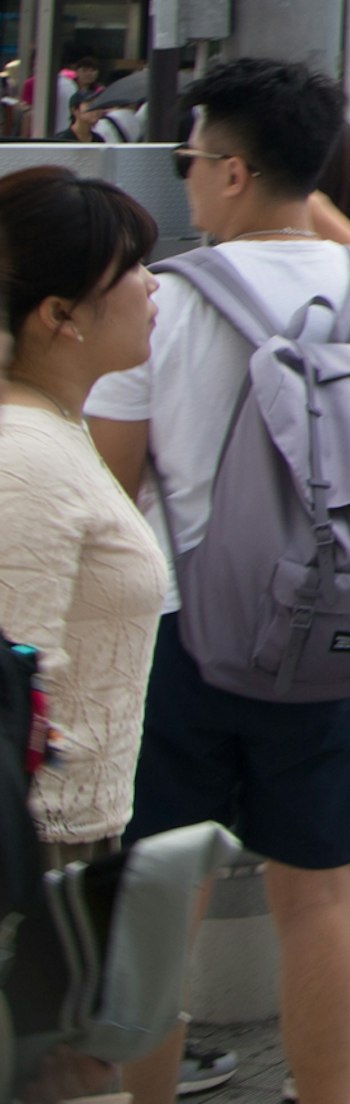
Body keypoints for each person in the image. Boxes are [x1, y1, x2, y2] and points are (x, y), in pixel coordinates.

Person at [93, 57, 350, 1104]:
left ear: (234, 172)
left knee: (161, 897)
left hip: (183, 630)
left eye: (192, 157)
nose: (187, 176)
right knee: (318, 900)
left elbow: (113, 491)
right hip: (341, 627)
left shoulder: (162, 302)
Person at [0, 168, 166, 869]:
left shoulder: (55, 430)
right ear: (60, 315)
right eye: (131, 268)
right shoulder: (25, 455)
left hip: (62, 837)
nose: (154, 284)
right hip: (34, 853)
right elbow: (12, 676)